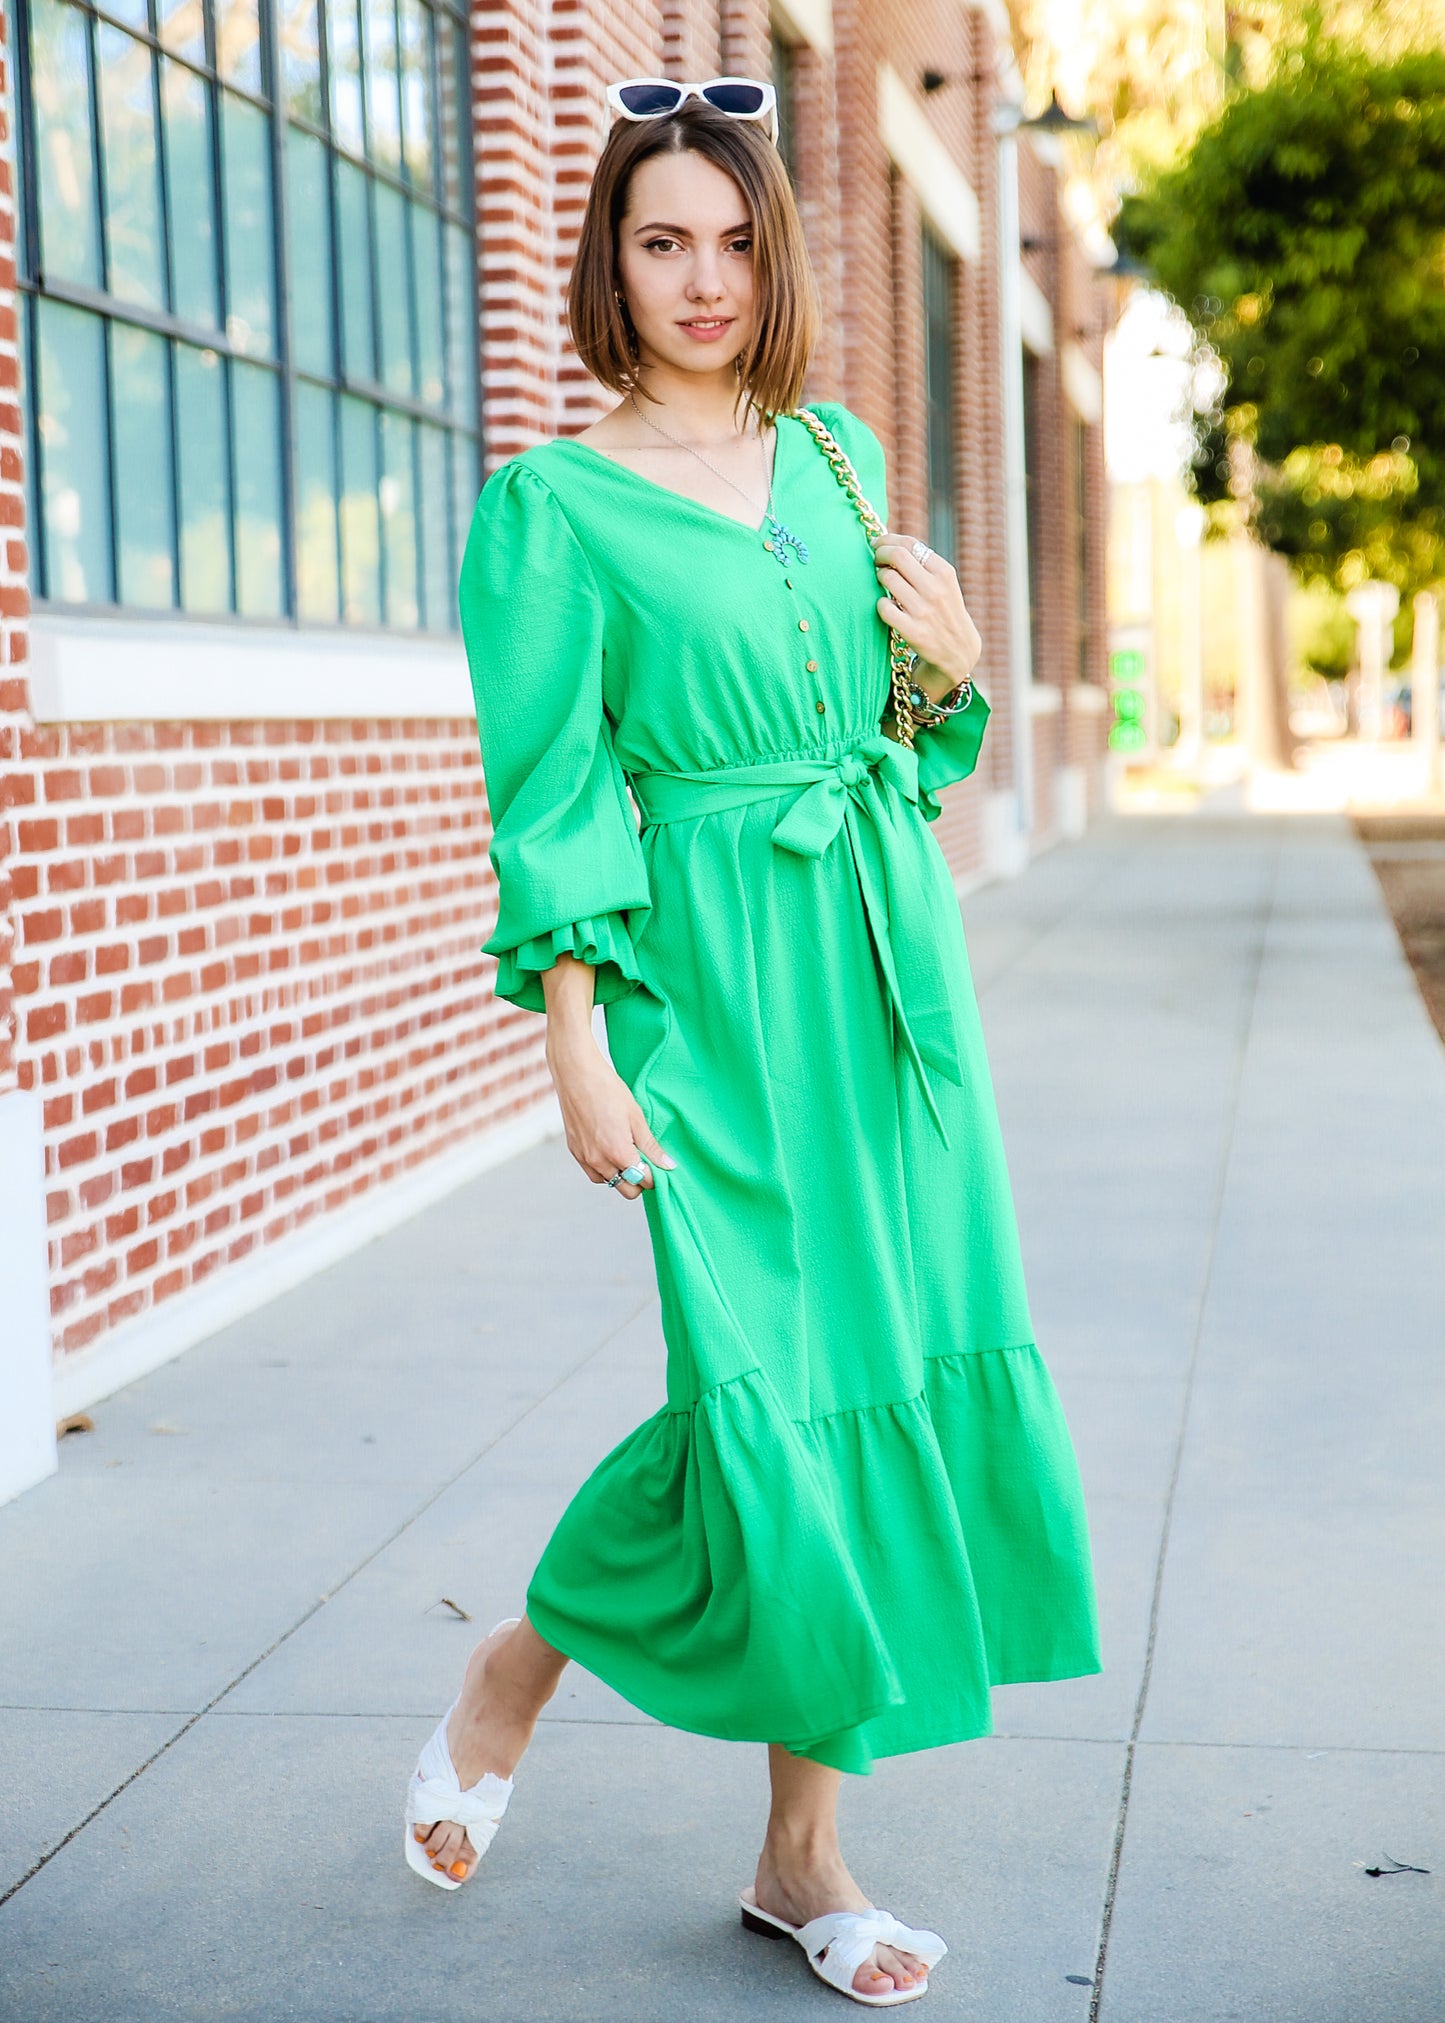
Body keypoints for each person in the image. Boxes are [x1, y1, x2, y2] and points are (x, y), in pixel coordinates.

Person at [403, 77, 1101, 2008]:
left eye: (729, 238)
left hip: (885, 973)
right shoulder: (550, 507)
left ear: (771, 253)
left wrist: (950, 681)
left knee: (874, 1367)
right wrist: (574, 1043)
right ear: (607, 262)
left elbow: (903, 748)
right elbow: (551, 796)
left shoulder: (839, 456)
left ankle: (806, 1861)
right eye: (658, 240)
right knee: (760, 1384)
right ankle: (514, 1665)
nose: (699, 278)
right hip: (704, 989)